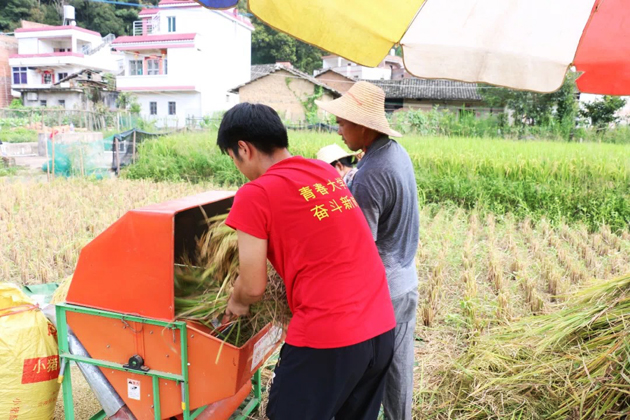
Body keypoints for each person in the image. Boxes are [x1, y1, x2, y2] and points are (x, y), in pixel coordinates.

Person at [217, 103, 396, 420]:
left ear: (243, 148)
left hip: (329, 338)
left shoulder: (255, 194)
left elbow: (253, 285)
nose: (237, 166)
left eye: (232, 158)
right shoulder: (324, 171)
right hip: (380, 328)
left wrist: (237, 301)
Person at [317, 81, 420, 420]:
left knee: (364, 377)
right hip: (405, 279)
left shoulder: (371, 173)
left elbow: (359, 245)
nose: (339, 129)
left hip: (382, 291)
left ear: (363, 126)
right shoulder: (394, 154)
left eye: (343, 122)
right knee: (399, 372)